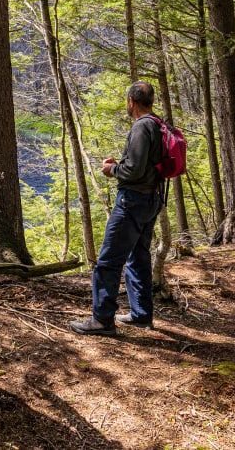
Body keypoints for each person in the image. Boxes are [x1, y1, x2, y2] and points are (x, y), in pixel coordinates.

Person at [71, 80, 164, 336]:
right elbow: (144, 165)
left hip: (132, 202)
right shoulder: (158, 124)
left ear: (131, 102)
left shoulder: (141, 127)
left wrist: (111, 169)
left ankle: (102, 320)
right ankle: (141, 315)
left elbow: (133, 170)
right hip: (151, 200)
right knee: (138, 257)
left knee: (108, 261)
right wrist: (121, 164)